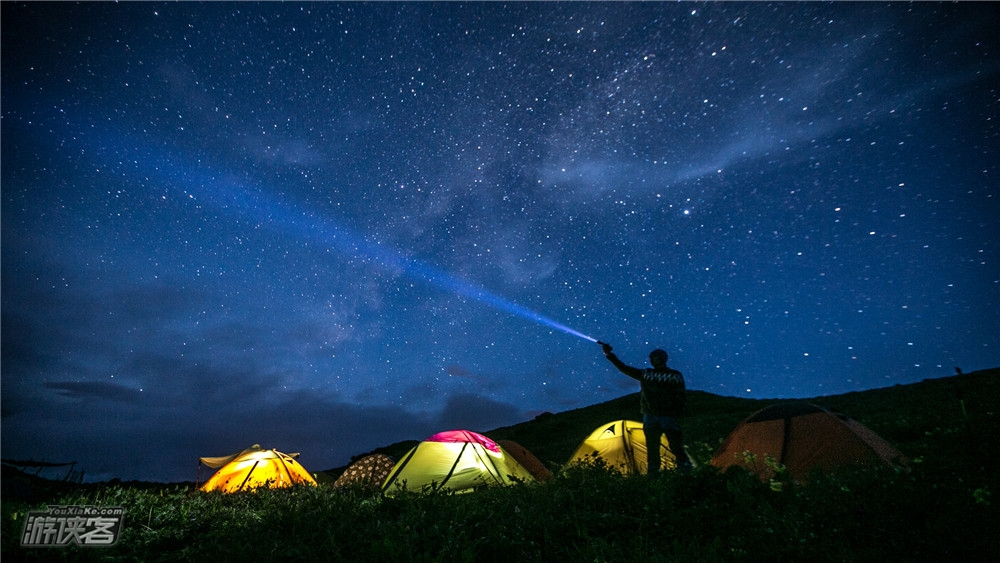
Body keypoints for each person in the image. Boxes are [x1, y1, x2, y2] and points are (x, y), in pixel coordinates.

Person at [598, 341, 693, 476]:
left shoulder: (674, 375)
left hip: (667, 416)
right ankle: (654, 472)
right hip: (650, 416)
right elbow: (624, 368)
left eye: (656, 358)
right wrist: (609, 354)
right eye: (652, 358)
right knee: (652, 446)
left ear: (663, 359)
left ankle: (684, 470)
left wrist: (676, 413)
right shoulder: (646, 373)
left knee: (674, 444)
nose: (654, 360)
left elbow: (680, 395)